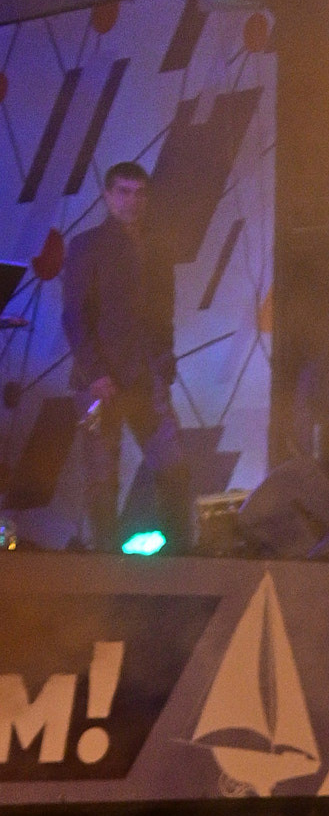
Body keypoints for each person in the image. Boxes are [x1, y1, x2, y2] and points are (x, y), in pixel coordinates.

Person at [59, 160, 191, 554]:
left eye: (139, 193)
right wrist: (96, 373)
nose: (132, 201)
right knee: (102, 477)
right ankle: (104, 562)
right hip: (101, 380)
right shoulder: (87, 245)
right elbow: (74, 315)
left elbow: (163, 312)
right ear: (107, 195)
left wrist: (165, 362)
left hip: (146, 376)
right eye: (124, 192)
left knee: (173, 466)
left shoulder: (157, 247)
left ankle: (179, 559)